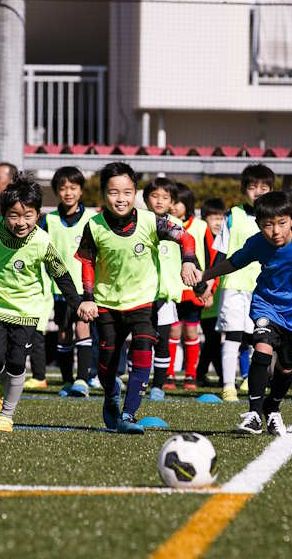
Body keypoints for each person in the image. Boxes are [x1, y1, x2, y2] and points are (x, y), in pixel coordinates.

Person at [199, 191, 292, 435]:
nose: (275, 231)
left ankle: (273, 406)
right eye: (268, 225)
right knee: (261, 347)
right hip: (266, 306)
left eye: (282, 223)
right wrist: (205, 275)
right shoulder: (257, 242)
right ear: (259, 225)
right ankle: (253, 414)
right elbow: (234, 262)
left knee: (286, 366)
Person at [75, 162, 200, 434]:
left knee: (143, 350)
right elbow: (86, 262)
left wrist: (188, 261)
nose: (121, 199)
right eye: (113, 192)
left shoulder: (150, 221)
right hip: (107, 303)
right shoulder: (93, 226)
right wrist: (88, 297)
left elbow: (186, 238)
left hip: (144, 303)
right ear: (103, 194)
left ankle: (129, 414)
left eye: (127, 192)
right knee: (107, 363)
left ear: (135, 193)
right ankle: (110, 394)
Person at [0, 178, 82, 432]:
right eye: (13, 216)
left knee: (17, 364)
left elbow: (60, 273)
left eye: (28, 216)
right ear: (2, 215)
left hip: (27, 310)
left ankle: (6, 416)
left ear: (38, 214)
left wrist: (77, 303)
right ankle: (5, 385)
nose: (21, 223)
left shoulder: (42, 241)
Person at [213, 163, 275, 402]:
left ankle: (250, 379)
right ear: (243, 190)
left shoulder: (274, 219)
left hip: (263, 288)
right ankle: (228, 385)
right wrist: (208, 281)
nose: (257, 192)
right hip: (234, 286)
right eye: (252, 187)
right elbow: (221, 252)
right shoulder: (232, 216)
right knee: (233, 335)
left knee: (257, 337)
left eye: (263, 187)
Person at [40, 166, 95, 397]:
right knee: (63, 332)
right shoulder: (48, 220)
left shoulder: (92, 218)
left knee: (83, 328)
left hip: (85, 287)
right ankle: (66, 380)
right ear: (56, 191)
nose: (68, 192)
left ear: (81, 190)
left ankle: (82, 380)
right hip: (59, 288)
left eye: (73, 188)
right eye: (63, 188)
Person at [167, 183, 212, 393]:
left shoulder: (201, 226)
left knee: (191, 331)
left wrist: (209, 287)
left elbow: (212, 257)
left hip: (193, 288)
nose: (173, 206)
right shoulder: (163, 224)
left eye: (178, 202)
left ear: (188, 204)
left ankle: (190, 374)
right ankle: (169, 373)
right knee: (173, 329)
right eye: (171, 201)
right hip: (171, 287)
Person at [143, 177, 183, 398]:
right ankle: (137, 383)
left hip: (165, 294)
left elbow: (188, 256)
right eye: (154, 196)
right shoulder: (139, 223)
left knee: (162, 342)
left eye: (165, 197)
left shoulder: (178, 227)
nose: (159, 201)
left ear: (172, 202)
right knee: (141, 341)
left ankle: (158, 385)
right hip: (141, 293)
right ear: (146, 198)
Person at [196, 197, 226, 386]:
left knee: (212, 339)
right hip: (205, 296)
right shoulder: (203, 239)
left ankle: (201, 373)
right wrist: (206, 291)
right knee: (212, 339)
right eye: (213, 217)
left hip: (218, 296)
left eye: (221, 218)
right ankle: (221, 377)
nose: (218, 222)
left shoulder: (224, 239)